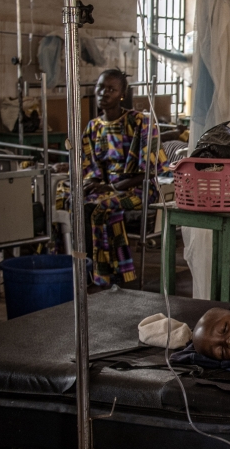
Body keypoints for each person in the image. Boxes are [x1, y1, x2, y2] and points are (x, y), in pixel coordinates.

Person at [59, 69, 164, 287]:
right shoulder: (94, 127)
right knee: (70, 201)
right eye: (100, 87)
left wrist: (112, 188)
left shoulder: (140, 122)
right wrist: (87, 184)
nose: (104, 93)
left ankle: (108, 273)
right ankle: (81, 268)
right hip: (106, 187)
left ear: (122, 95)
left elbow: (151, 169)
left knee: (100, 208)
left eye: (111, 89)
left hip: (139, 189)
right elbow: (89, 166)